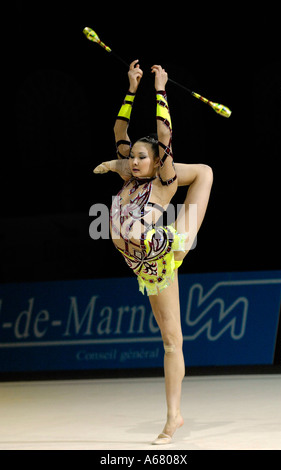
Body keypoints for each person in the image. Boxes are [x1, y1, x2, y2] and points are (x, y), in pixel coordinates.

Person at [94, 60, 213, 444]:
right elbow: (118, 129)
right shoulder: (130, 176)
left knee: (171, 342)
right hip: (142, 265)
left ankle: (173, 416)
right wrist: (132, 87)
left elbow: (164, 134)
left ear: (157, 160)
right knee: (168, 339)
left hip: (161, 257)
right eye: (132, 157)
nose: (135, 160)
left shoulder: (162, 180)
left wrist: (159, 89)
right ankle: (196, 197)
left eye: (142, 157)